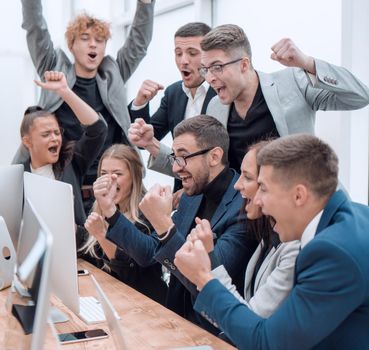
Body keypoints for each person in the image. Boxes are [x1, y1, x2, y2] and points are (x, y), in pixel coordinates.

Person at [174, 134, 369, 349]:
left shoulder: (331, 253)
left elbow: (267, 342)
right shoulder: (353, 216)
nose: (257, 200)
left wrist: (204, 277)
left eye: (264, 189)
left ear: (298, 196)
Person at [133, 24, 369, 177]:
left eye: (217, 68)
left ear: (244, 64)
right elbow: (202, 168)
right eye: (206, 70)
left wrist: (307, 63)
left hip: (300, 209)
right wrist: (152, 145)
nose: (210, 78)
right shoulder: (216, 108)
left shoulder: (293, 83)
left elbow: (359, 96)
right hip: (246, 219)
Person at [93, 115, 256, 334]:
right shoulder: (192, 194)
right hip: (174, 319)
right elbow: (148, 254)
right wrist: (111, 212)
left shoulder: (243, 209)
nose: (176, 168)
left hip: (214, 331)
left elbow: (208, 278)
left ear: (214, 156)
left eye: (183, 157)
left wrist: (162, 224)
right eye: (174, 157)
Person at [16, 0, 155, 210]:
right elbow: (36, 28)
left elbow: (139, 44)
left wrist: (145, 4)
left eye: (100, 40)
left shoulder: (113, 73)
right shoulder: (54, 69)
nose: (93, 45)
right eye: (85, 38)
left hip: (111, 185)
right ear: (71, 44)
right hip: (65, 181)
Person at [189, 140, 299, 323]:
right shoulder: (266, 235)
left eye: (248, 178)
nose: (237, 185)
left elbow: (250, 321)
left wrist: (209, 259)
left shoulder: (294, 248)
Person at [18, 71, 107, 247]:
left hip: (76, 253)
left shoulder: (71, 162)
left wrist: (64, 91)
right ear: (27, 141)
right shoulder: (17, 176)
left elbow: (98, 130)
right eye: (46, 134)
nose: (55, 138)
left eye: (57, 132)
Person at [129, 22, 215, 191]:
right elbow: (143, 141)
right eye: (178, 53)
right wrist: (140, 103)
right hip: (183, 193)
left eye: (192, 53)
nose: (183, 61)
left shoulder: (222, 92)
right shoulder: (173, 93)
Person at [80, 144, 167, 305]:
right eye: (104, 173)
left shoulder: (148, 214)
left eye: (117, 174)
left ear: (134, 177)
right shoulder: (97, 208)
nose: (109, 179)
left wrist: (102, 236)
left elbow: (133, 274)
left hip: (146, 305)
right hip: (110, 298)